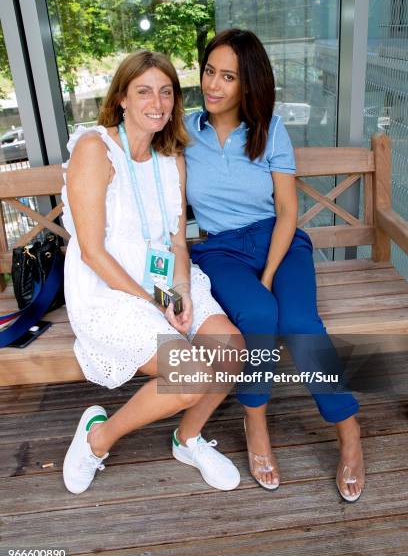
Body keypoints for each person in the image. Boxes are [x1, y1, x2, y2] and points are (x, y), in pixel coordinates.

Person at [184, 29, 365, 502]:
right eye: (209, 71)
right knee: (260, 316)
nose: (214, 85)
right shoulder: (184, 132)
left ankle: (348, 431)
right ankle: (256, 421)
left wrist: (267, 275)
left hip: (277, 242)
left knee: (300, 321)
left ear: (249, 85)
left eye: (228, 76)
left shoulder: (270, 130)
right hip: (219, 250)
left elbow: (288, 212)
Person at [62, 50, 244, 495]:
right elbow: (92, 253)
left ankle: (188, 439)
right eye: (144, 91)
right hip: (109, 291)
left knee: (232, 352)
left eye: (166, 92)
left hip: (164, 282)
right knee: (191, 377)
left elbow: (178, 242)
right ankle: (97, 438)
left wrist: (179, 291)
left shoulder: (170, 157)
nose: (157, 103)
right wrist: (158, 304)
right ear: (122, 97)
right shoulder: (95, 148)